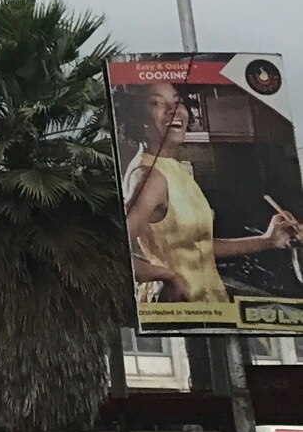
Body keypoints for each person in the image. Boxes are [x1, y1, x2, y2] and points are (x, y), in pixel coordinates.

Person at [122, 80, 302, 311]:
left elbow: (197, 245)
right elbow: (114, 252)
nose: (173, 110)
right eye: (156, 103)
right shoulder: (149, 176)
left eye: (177, 103)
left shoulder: (174, 168)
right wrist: (166, 275)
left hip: (210, 304)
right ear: (138, 119)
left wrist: (268, 240)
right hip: (177, 307)